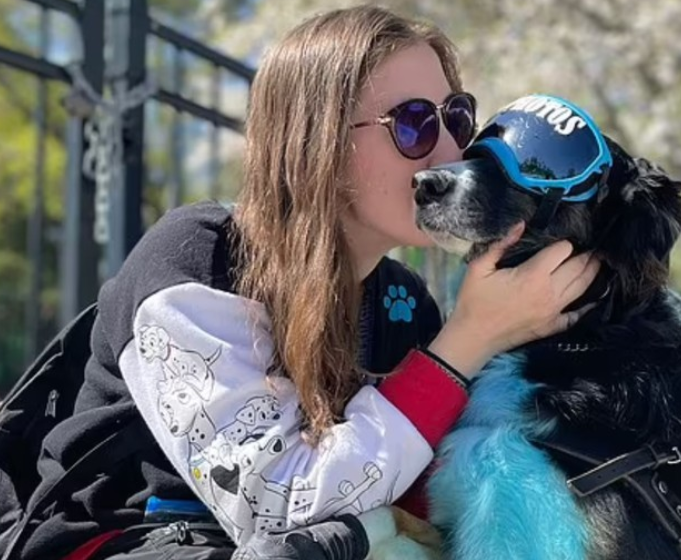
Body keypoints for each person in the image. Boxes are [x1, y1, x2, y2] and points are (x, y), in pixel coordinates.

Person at [17, 5, 599, 560]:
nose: (450, 155)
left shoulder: (402, 307)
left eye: (456, 119)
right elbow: (277, 510)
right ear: (319, 139)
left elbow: (427, 494)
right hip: (129, 541)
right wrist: (469, 342)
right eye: (415, 124)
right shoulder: (199, 258)